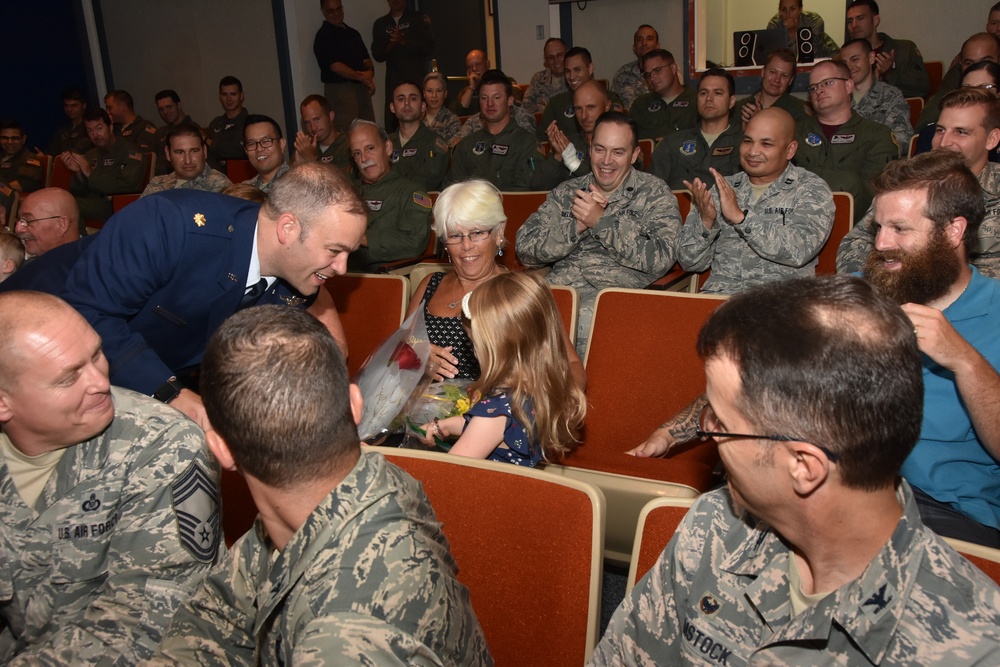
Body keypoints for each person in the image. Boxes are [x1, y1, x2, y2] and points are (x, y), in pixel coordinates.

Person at [591, 274, 1000, 665]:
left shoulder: (970, 646)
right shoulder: (715, 527)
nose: (708, 434)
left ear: (805, 467)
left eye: (720, 422)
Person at [149, 305, 492, 666]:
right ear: (356, 405)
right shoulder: (357, 484)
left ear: (221, 450)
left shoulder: (347, 641)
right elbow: (218, 615)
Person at [0, 292, 222, 664]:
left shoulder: (162, 444)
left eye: (97, 354)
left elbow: (145, 626)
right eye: (68, 377)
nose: (101, 382)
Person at [61, 162, 367, 431]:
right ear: (287, 227)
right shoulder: (170, 225)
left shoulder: (295, 276)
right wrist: (172, 395)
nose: (341, 268)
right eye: (335, 250)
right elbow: (84, 315)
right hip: (51, 372)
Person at [861, 151, 1000, 548]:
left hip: (947, 511)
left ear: (954, 231)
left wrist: (965, 360)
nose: (882, 244)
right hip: (846, 486)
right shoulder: (861, 292)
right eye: (879, 227)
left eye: (900, 229)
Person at [516, 112, 681, 353]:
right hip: (557, 291)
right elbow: (524, 248)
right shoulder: (567, 191)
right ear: (590, 149)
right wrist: (577, 226)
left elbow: (663, 258)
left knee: (574, 326)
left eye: (618, 152)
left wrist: (601, 222)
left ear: (634, 155)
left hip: (614, 298)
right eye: (600, 149)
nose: (606, 161)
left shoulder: (654, 194)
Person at [407, 179, 586, 388]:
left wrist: (544, 412)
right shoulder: (430, 285)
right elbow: (396, 354)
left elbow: (571, 365)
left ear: (499, 232)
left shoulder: (523, 293)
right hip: (427, 411)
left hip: (500, 415)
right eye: (455, 235)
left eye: (477, 233)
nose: (466, 245)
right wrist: (417, 360)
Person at [417, 271, 586, 468]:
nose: (473, 350)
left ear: (495, 349)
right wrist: (447, 425)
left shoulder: (498, 409)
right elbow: (489, 433)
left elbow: (448, 473)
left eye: (475, 343)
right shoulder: (535, 390)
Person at [839, 88, 1000, 278]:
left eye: (961, 132)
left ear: (991, 139)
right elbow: (854, 244)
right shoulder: (907, 183)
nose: (944, 142)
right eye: (940, 130)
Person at [676, 107, 834, 295]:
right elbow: (689, 262)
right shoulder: (722, 188)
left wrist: (741, 219)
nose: (752, 151)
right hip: (722, 298)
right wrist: (706, 222)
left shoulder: (810, 188)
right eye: (748, 141)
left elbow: (798, 251)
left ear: (790, 150)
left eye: (766, 144)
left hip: (783, 300)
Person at [793, 59, 896, 220]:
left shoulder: (876, 135)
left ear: (849, 86)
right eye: (813, 87)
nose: (819, 90)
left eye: (827, 83)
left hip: (854, 229)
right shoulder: (794, 132)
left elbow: (871, 197)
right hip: (796, 221)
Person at [445, 70, 559, 191]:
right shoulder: (466, 144)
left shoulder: (526, 142)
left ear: (510, 100)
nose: (489, 104)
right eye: (484, 98)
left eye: (496, 97)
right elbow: (453, 189)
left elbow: (533, 188)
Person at [347, 119, 432, 272]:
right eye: (357, 153)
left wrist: (364, 238)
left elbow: (414, 243)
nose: (364, 159)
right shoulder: (346, 193)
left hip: (382, 276)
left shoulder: (410, 193)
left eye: (370, 148)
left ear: (387, 148)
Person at [650, 68, 743, 189]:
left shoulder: (744, 144)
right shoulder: (672, 143)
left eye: (718, 93)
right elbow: (651, 190)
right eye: (703, 93)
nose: (709, 98)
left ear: (731, 101)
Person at [61, 107, 144, 227]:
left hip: (118, 205)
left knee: (69, 204)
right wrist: (79, 172)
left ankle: (81, 242)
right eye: (90, 131)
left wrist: (90, 173)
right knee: (61, 200)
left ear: (110, 127)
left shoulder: (130, 152)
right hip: (95, 203)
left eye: (99, 128)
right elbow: (77, 191)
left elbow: (128, 186)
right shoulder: (91, 154)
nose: (95, 135)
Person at [841, 37, 913, 156]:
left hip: (880, 164)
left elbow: (902, 139)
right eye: (844, 63)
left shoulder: (890, 95)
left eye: (854, 59)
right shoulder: (838, 97)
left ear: (871, 58)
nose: (849, 67)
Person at [314, 0, 376, 134]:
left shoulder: (353, 33)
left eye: (339, 9)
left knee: (369, 130)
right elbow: (336, 67)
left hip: (362, 89)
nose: (336, 13)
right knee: (347, 135)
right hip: (341, 92)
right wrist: (362, 77)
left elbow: (366, 60)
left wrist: (369, 74)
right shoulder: (323, 36)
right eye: (331, 11)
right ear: (323, 11)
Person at [845, 0, 930, 98]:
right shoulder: (841, 59)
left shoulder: (904, 50)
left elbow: (922, 88)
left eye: (860, 18)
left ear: (875, 20)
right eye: (850, 21)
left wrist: (890, 75)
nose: (854, 25)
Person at [371, 0, 433, 131]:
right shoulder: (380, 24)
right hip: (394, 79)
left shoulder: (418, 18)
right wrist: (390, 45)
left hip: (417, 77)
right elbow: (377, 55)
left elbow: (428, 47)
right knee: (393, 116)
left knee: (421, 115)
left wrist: (404, 41)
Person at [538, 47, 624, 141]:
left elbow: (617, 131)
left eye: (577, 70)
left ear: (590, 68)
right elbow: (543, 138)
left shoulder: (607, 97)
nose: (572, 76)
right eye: (567, 71)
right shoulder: (557, 102)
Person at [918, 32, 1000, 130]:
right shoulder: (951, 86)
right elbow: (925, 128)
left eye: (985, 61)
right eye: (969, 63)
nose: (976, 69)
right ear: (960, 64)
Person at [388, 81, 449, 191]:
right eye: (401, 99)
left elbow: (427, 183)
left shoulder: (434, 142)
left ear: (423, 106)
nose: (407, 103)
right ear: (392, 107)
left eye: (413, 99)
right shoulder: (385, 143)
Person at [546, 80, 613, 180]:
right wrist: (557, 156)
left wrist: (573, 163)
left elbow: (607, 183)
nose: (584, 116)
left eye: (591, 107)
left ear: (607, 105)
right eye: (578, 109)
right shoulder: (568, 144)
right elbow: (538, 186)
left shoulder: (620, 144)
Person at [142, 123, 231, 197]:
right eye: (180, 152)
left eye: (194, 151)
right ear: (168, 153)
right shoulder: (157, 184)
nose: (188, 160)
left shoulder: (220, 185)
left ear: (204, 151)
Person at [732, 48, 811, 131]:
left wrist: (760, 121)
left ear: (790, 80)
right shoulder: (739, 108)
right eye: (773, 72)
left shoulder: (798, 110)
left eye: (784, 75)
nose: (777, 80)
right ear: (763, 72)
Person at [628, 48, 697, 141]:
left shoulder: (696, 101)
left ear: (673, 68)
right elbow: (626, 138)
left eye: (657, 70)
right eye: (648, 75)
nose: (652, 78)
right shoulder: (641, 104)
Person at [11, 188, 79, 257]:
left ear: (61, 224)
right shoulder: (16, 259)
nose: (18, 229)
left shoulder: (86, 264)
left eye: (28, 221)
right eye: (20, 220)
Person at [292, 94, 351, 171]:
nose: (313, 128)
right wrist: (295, 167)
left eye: (316, 119)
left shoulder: (348, 146)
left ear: (331, 116)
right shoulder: (305, 147)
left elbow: (343, 182)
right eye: (308, 123)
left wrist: (311, 160)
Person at [766, 0, 839, 61]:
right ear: (779, 11)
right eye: (784, 10)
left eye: (792, 9)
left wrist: (793, 31)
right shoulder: (774, 25)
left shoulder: (814, 20)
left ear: (800, 9)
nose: (788, 14)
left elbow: (809, 55)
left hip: (827, 57)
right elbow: (777, 57)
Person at [0, 120, 45, 219]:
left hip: (10, 200)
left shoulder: (29, 159)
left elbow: (26, 184)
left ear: (23, 139)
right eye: (5, 138)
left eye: (15, 138)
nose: (9, 142)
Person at [206, 76, 250, 172]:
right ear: (220, 97)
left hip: (239, 179)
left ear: (241, 96)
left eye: (233, 94)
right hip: (211, 179)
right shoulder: (215, 123)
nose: (228, 99)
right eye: (224, 94)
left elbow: (237, 151)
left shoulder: (249, 123)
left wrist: (209, 142)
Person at [611, 25, 659, 110]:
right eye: (639, 40)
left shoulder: (668, 71)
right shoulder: (622, 74)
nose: (644, 43)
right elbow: (614, 107)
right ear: (634, 48)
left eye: (649, 39)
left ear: (657, 46)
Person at [152, 90, 198, 175]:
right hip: (159, 182)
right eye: (161, 109)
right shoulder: (160, 133)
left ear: (179, 105)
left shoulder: (193, 130)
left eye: (169, 107)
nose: (165, 112)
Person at [241, 115, 289, 193]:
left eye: (266, 141)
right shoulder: (245, 191)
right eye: (252, 143)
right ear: (246, 151)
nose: (259, 149)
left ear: (282, 144)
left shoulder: (298, 183)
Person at [523, 38, 569, 115]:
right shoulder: (538, 79)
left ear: (567, 54)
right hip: (540, 125)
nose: (556, 60)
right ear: (546, 60)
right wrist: (542, 109)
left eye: (559, 55)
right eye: (551, 57)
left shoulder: (574, 78)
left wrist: (547, 110)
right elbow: (525, 108)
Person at [46, 87, 92, 156]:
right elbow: (51, 153)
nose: (69, 109)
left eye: (74, 105)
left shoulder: (90, 128)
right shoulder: (62, 130)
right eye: (66, 106)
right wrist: (43, 157)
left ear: (84, 106)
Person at [422, 71, 462, 145]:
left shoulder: (452, 120)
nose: (434, 95)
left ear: (445, 94)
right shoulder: (416, 116)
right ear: (424, 93)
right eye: (429, 91)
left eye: (439, 91)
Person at [451, 49, 490, 116]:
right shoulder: (465, 92)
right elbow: (457, 115)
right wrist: (471, 87)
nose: (474, 69)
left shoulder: (502, 83)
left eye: (478, 64)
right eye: (470, 67)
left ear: (487, 64)